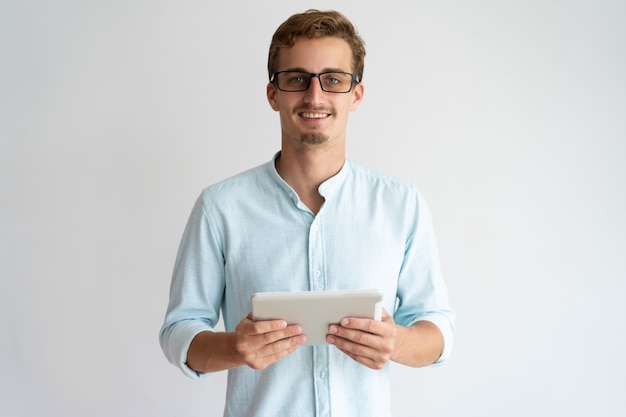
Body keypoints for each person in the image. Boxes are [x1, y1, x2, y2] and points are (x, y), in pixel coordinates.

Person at [160, 9, 455, 417]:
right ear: (272, 94)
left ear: (356, 95)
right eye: (297, 79)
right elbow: (179, 331)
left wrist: (398, 343)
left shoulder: (400, 203)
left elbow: (437, 327)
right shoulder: (220, 207)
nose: (315, 97)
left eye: (333, 80)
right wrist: (234, 346)